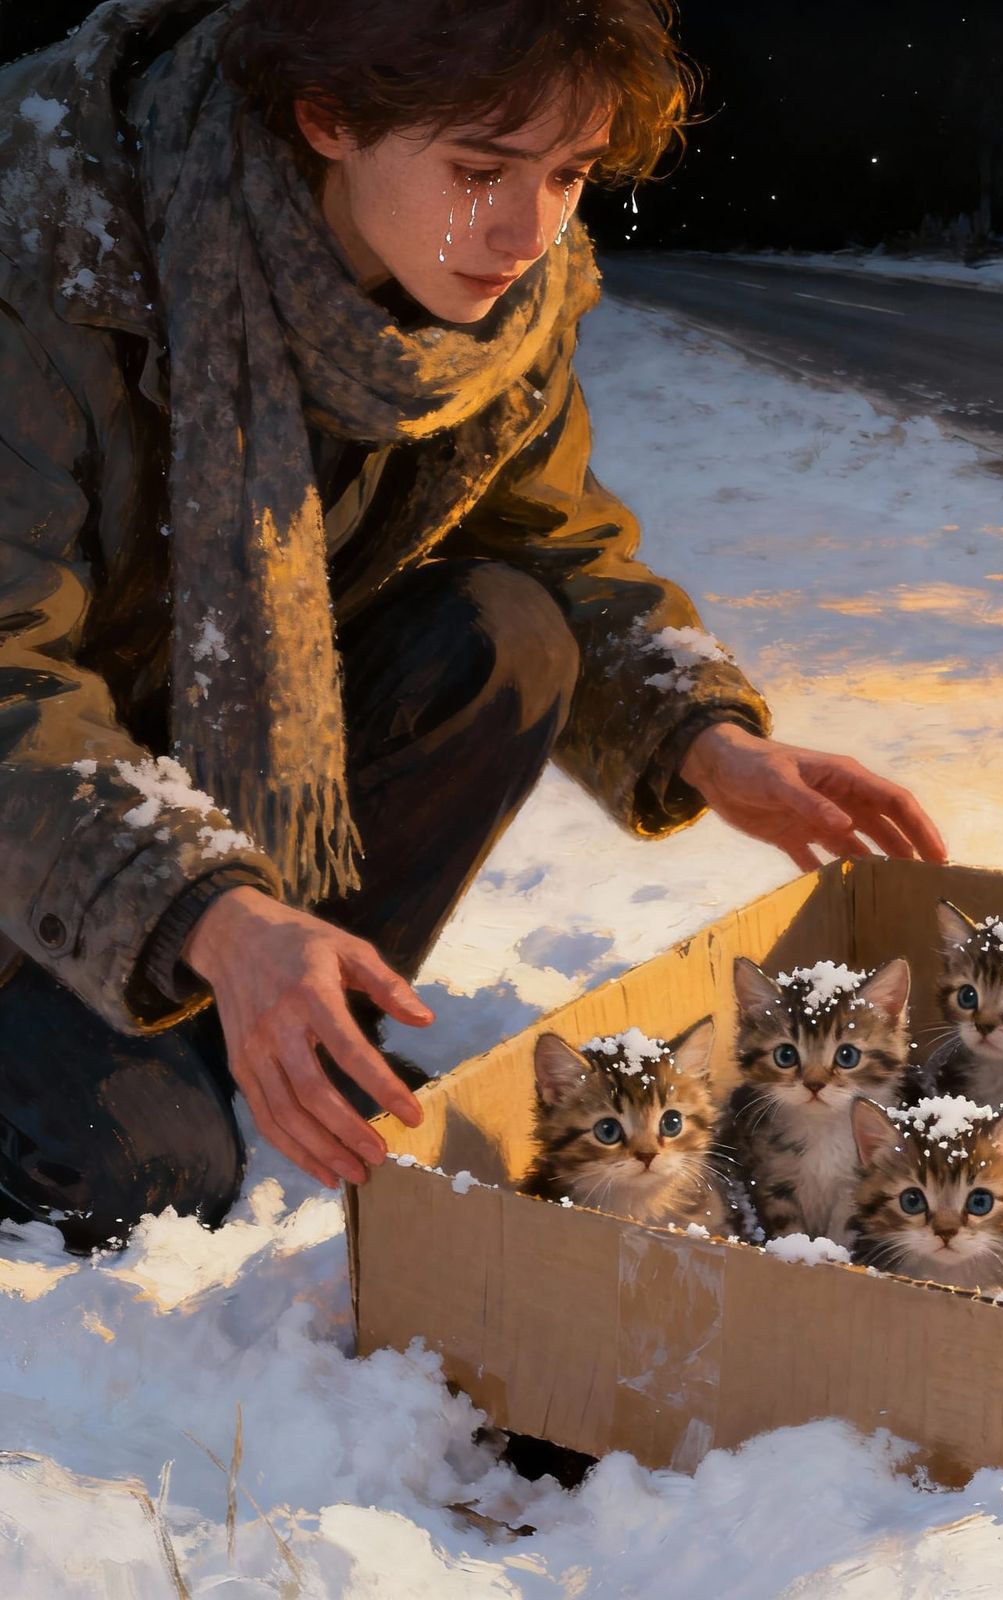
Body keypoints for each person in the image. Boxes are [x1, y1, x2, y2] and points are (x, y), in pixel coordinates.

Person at [0, 0, 946, 1253]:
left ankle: (294, 1011)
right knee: (143, 1178)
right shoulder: (51, 254)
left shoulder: (500, 306)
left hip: (181, 747)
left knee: (506, 630)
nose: (526, 227)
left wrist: (709, 740)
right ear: (327, 118)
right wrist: (210, 909)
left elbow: (552, 540)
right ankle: (176, 1011)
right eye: (480, 170)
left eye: (566, 174)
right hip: (42, 794)